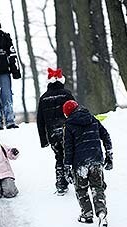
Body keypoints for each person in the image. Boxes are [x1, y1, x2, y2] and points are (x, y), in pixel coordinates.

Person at [62, 100, 113, 227]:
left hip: (80, 164)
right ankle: (101, 212)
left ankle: (87, 214)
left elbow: (68, 149)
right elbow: (106, 136)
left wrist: (67, 167)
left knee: (81, 189)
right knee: (97, 187)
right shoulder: (92, 119)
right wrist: (109, 155)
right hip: (96, 160)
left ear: (67, 114)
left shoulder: (69, 125)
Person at [36, 67, 76, 195]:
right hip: (68, 132)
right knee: (71, 155)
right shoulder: (67, 94)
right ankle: (75, 179)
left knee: (59, 157)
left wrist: (44, 140)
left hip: (53, 134)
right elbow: (75, 112)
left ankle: (61, 184)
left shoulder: (44, 98)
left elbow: (40, 121)